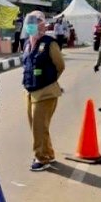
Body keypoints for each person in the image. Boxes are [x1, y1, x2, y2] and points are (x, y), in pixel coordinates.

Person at [22, 11, 65, 171]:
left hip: (46, 92)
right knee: (37, 126)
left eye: (35, 21)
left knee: (39, 128)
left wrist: (50, 80)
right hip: (30, 91)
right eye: (30, 22)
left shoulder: (49, 43)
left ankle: (41, 158)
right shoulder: (27, 43)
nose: (31, 25)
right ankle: (48, 153)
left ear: (42, 24)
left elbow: (60, 65)